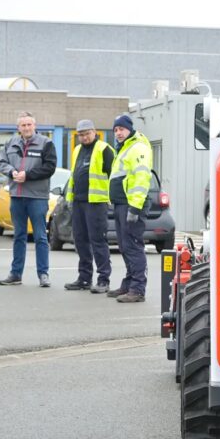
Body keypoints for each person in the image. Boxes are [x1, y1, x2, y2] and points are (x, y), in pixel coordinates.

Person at [0, 111, 58, 287]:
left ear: (34, 126)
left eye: (29, 124)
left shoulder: (46, 143)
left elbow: (50, 167)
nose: (26, 128)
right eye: (23, 125)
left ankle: (43, 274)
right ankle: (15, 274)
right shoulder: (10, 143)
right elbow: (1, 163)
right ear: (18, 127)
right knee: (19, 236)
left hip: (37, 197)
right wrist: (11, 172)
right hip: (16, 197)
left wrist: (27, 175)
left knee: (40, 237)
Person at [64, 119, 115, 293]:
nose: (84, 137)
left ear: (94, 132)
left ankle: (103, 280)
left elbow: (114, 176)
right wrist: (70, 199)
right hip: (78, 202)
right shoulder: (77, 150)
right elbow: (74, 176)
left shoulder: (104, 149)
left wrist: (112, 198)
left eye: (87, 134)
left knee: (98, 240)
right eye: (81, 135)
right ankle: (84, 278)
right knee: (80, 241)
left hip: (96, 202)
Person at [108, 115, 153, 303]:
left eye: (121, 129)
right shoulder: (124, 148)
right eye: (116, 130)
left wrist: (134, 208)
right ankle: (128, 284)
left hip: (131, 205)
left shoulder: (137, 147)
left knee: (133, 246)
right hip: (121, 204)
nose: (118, 133)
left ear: (130, 129)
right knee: (125, 246)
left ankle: (137, 289)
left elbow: (142, 179)